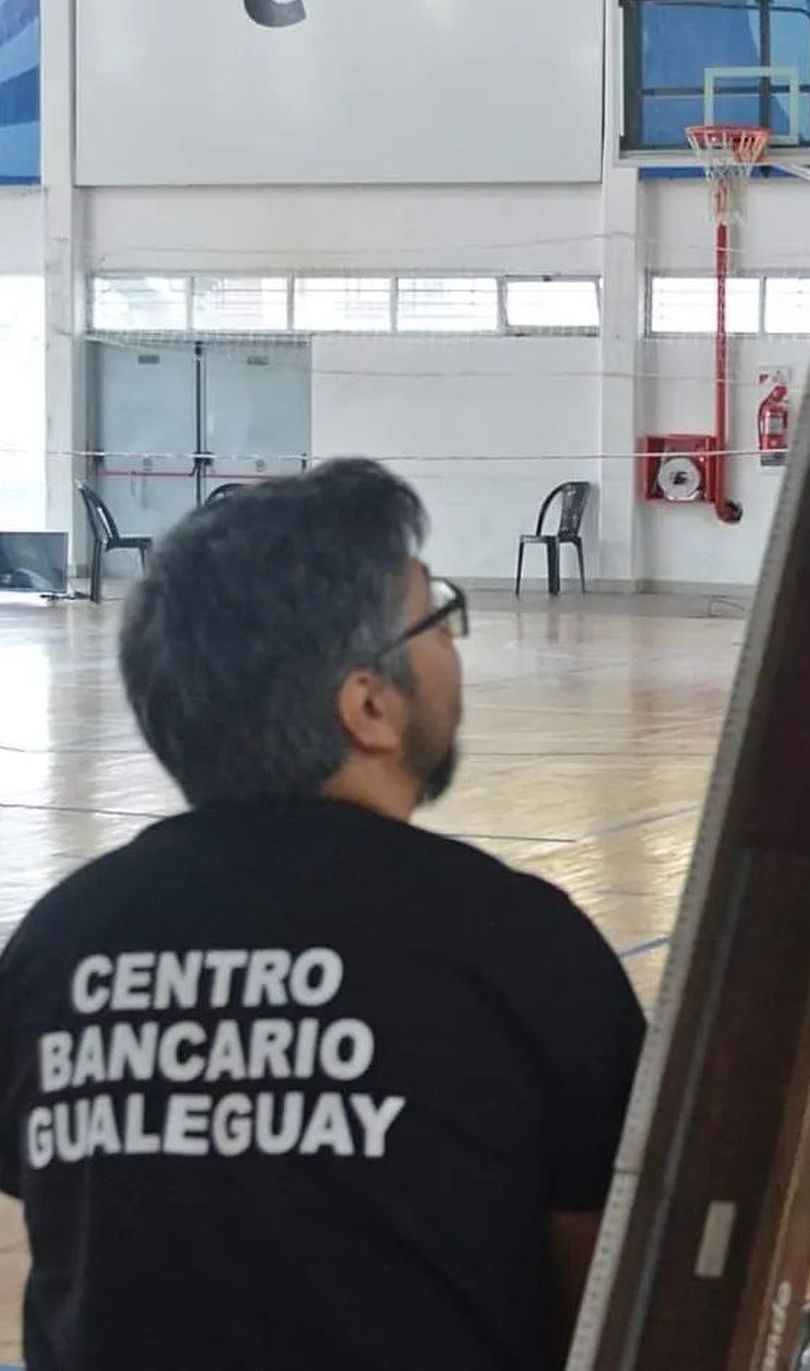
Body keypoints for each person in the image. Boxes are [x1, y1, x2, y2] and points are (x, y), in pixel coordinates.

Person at [0, 461, 645, 1371]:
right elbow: (613, 1299)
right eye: (438, 619)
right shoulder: (520, 948)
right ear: (369, 705)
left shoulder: (57, 946)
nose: (454, 649)